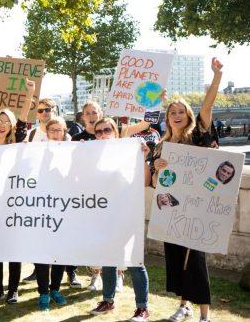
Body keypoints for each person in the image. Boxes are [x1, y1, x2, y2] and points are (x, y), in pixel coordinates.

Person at [152, 57, 223, 322]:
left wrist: (216, 76)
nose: (177, 115)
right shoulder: (161, 145)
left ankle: (204, 314)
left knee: (195, 259)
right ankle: (184, 305)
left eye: (182, 111)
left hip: (199, 207)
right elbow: (155, 182)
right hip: (171, 209)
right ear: (167, 118)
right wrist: (157, 167)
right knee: (176, 258)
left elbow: (208, 106)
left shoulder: (198, 136)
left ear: (189, 116)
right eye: (172, 112)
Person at [87, 118, 152, 321]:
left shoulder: (129, 153)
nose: (103, 134)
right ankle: (108, 300)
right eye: (98, 132)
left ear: (115, 132)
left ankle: (142, 307)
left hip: (127, 213)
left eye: (107, 130)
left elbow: (145, 182)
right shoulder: (91, 155)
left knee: (134, 262)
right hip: (104, 215)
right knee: (108, 260)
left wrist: (142, 158)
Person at [0, 80, 34, 305]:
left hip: (13, 203)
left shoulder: (18, 141)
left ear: (12, 126)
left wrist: (30, 91)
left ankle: (13, 290)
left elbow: (23, 116)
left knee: (12, 249)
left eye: (7, 121)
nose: (2, 124)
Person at [33, 115, 70, 311]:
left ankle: (55, 289)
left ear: (65, 133)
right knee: (41, 254)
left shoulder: (74, 152)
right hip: (41, 209)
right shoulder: (37, 153)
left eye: (59, 130)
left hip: (64, 209)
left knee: (60, 253)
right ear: (46, 133)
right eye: (52, 130)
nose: (56, 133)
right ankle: (44, 293)